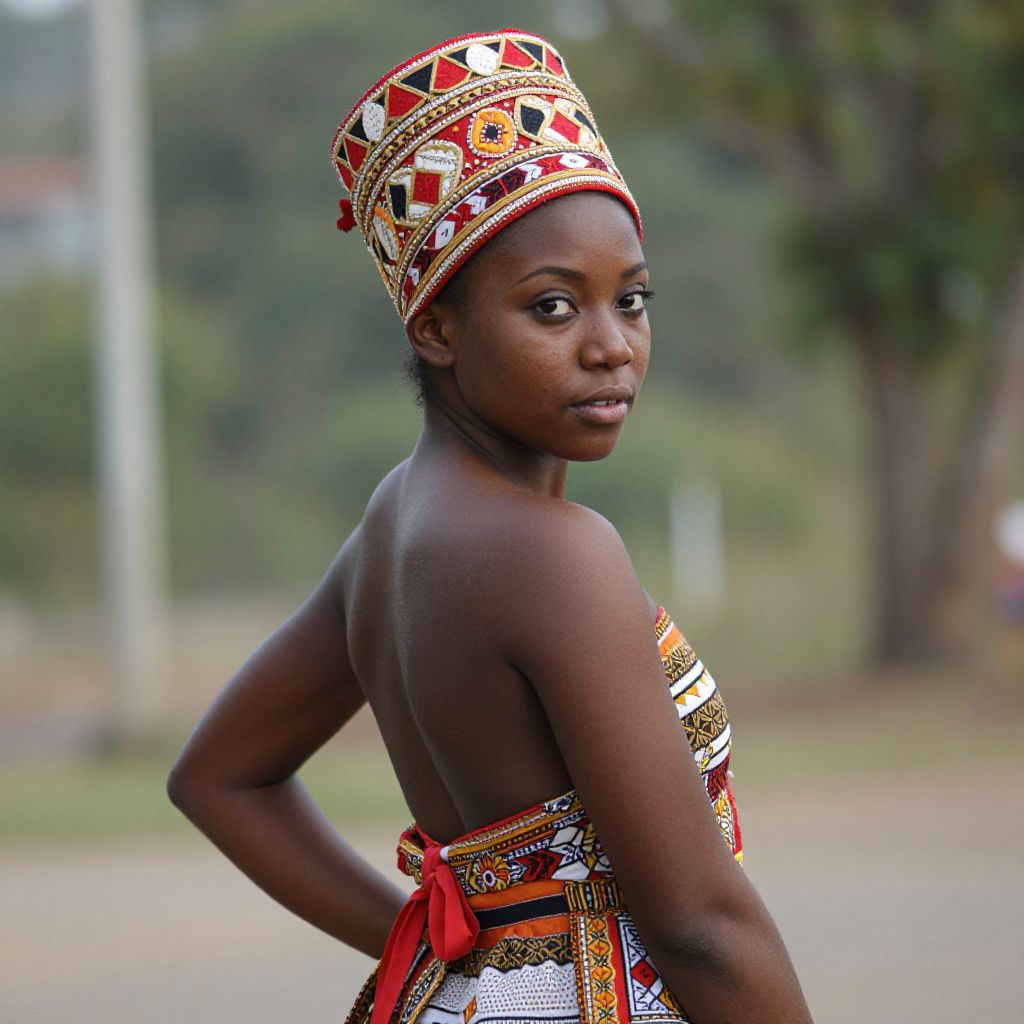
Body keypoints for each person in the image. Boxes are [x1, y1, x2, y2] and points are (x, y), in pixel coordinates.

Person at [167, 27, 814, 1024]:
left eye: (631, 299)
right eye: (552, 307)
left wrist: (461, 950)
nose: (611, 346)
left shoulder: (392, 527)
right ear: (435, 328)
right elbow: (698, 926)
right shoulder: (556, 552)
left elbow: (219, 777)